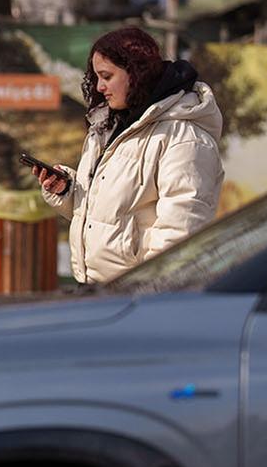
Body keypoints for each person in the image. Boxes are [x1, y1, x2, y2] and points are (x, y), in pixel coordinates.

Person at [35, 27, 224, 284]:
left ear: (136, 74)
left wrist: (147, 293)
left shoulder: (183, 137)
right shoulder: (108, 126)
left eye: (107, 76)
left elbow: (182, 230)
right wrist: (67, 191)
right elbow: (105, 219)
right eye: (96, 77)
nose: (100, 87)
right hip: (101, 292)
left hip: (139, 300)